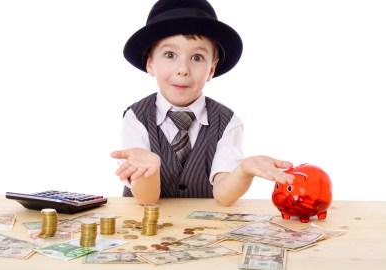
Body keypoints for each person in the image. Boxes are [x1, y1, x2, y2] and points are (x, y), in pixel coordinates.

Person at [111, 0, 294, 206]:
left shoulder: (228, 122)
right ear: (150, 63)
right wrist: (148, 170)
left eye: (197, 57)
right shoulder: (136, 117)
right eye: (170, 55)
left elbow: (223, 195)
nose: (183, 69)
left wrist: (243, 170)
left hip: (203, 230)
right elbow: (147, 199)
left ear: (212, 70)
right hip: (145, 229)